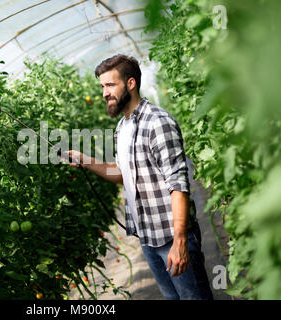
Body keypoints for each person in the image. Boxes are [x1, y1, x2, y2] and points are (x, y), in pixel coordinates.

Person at [65, 54, 213, 300]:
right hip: (148, 238)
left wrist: (180, 241)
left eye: (110, 85)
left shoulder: (157, 122)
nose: (104, 93)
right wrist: (84, 160)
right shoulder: (122, 128)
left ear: (130, 84)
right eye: (102, 86)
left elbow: (179, 185)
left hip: (171, 237)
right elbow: (123, 175)